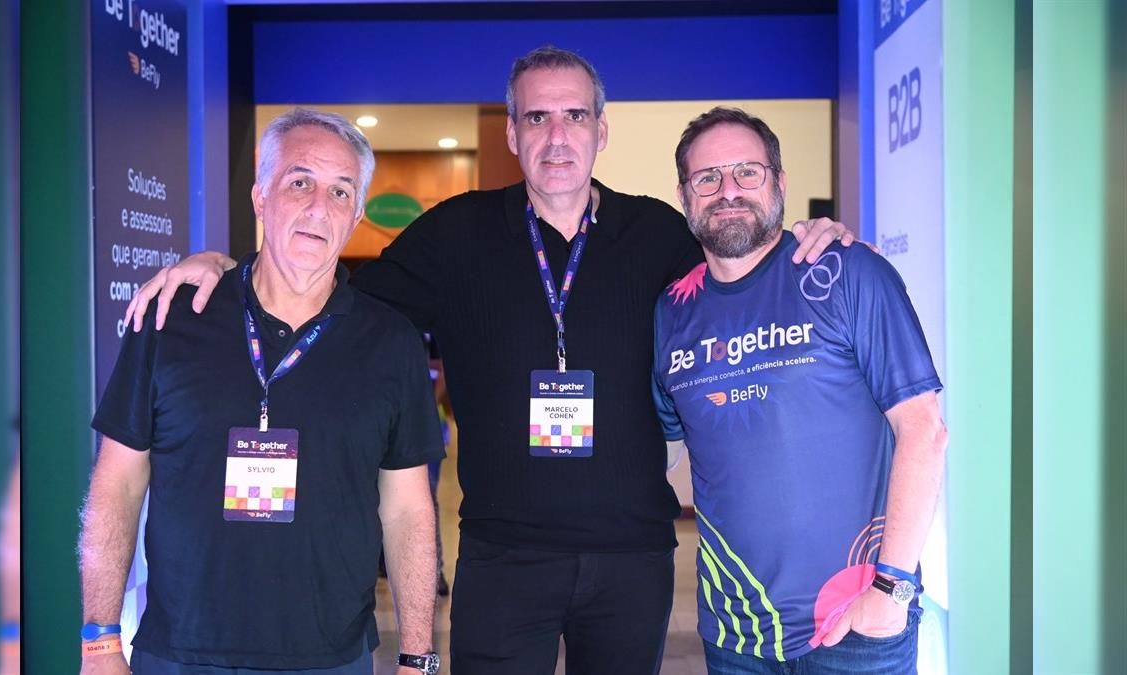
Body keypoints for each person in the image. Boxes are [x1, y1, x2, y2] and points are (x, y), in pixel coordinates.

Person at [125, 47, 854, 674]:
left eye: (574, 116)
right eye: (537, 117)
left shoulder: (660, 233)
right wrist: (226, 267)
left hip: (631, 556)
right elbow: (327, 294)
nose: (557, 136)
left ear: (601, 130)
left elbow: (744, 267)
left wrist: (815, 239)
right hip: (503, 557)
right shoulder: (457, 233)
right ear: (512, 133)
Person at [79, 109, 444, 675]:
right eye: (299, 182)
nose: (319, 207)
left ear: (355, 217)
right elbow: (116, 484)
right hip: (179, 654)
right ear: (260, 197)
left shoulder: (391, 343)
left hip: (329, 660)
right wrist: (100, 642)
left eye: (340, 192)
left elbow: (408, 512)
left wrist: (418, 659)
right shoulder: (173, 318)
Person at [653, 107, 947, 674]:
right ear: (684, 196)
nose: (728, 191)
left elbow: (924, 431)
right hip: (737, 632)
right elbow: (662, 448)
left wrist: (892, 590)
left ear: (780, 182)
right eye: (707, 178)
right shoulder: (672, 311)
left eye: (748, 172)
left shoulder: (847, 272)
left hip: (858, 624)